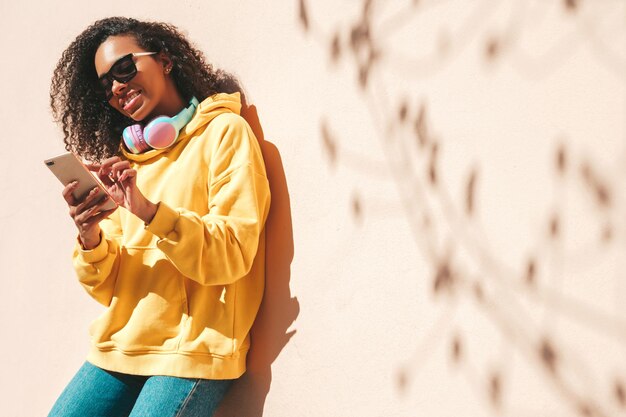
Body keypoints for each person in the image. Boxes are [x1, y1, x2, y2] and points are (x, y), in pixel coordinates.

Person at [47, 17, 271, 417]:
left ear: (165, 60)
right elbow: (107, 286)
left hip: (196, 348)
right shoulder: (128, 164)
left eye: (124, 68)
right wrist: (90, 236)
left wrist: (150, 213)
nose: (117, 87)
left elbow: (234, 253)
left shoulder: (225, 133)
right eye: (106, 84)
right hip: (122, 346)